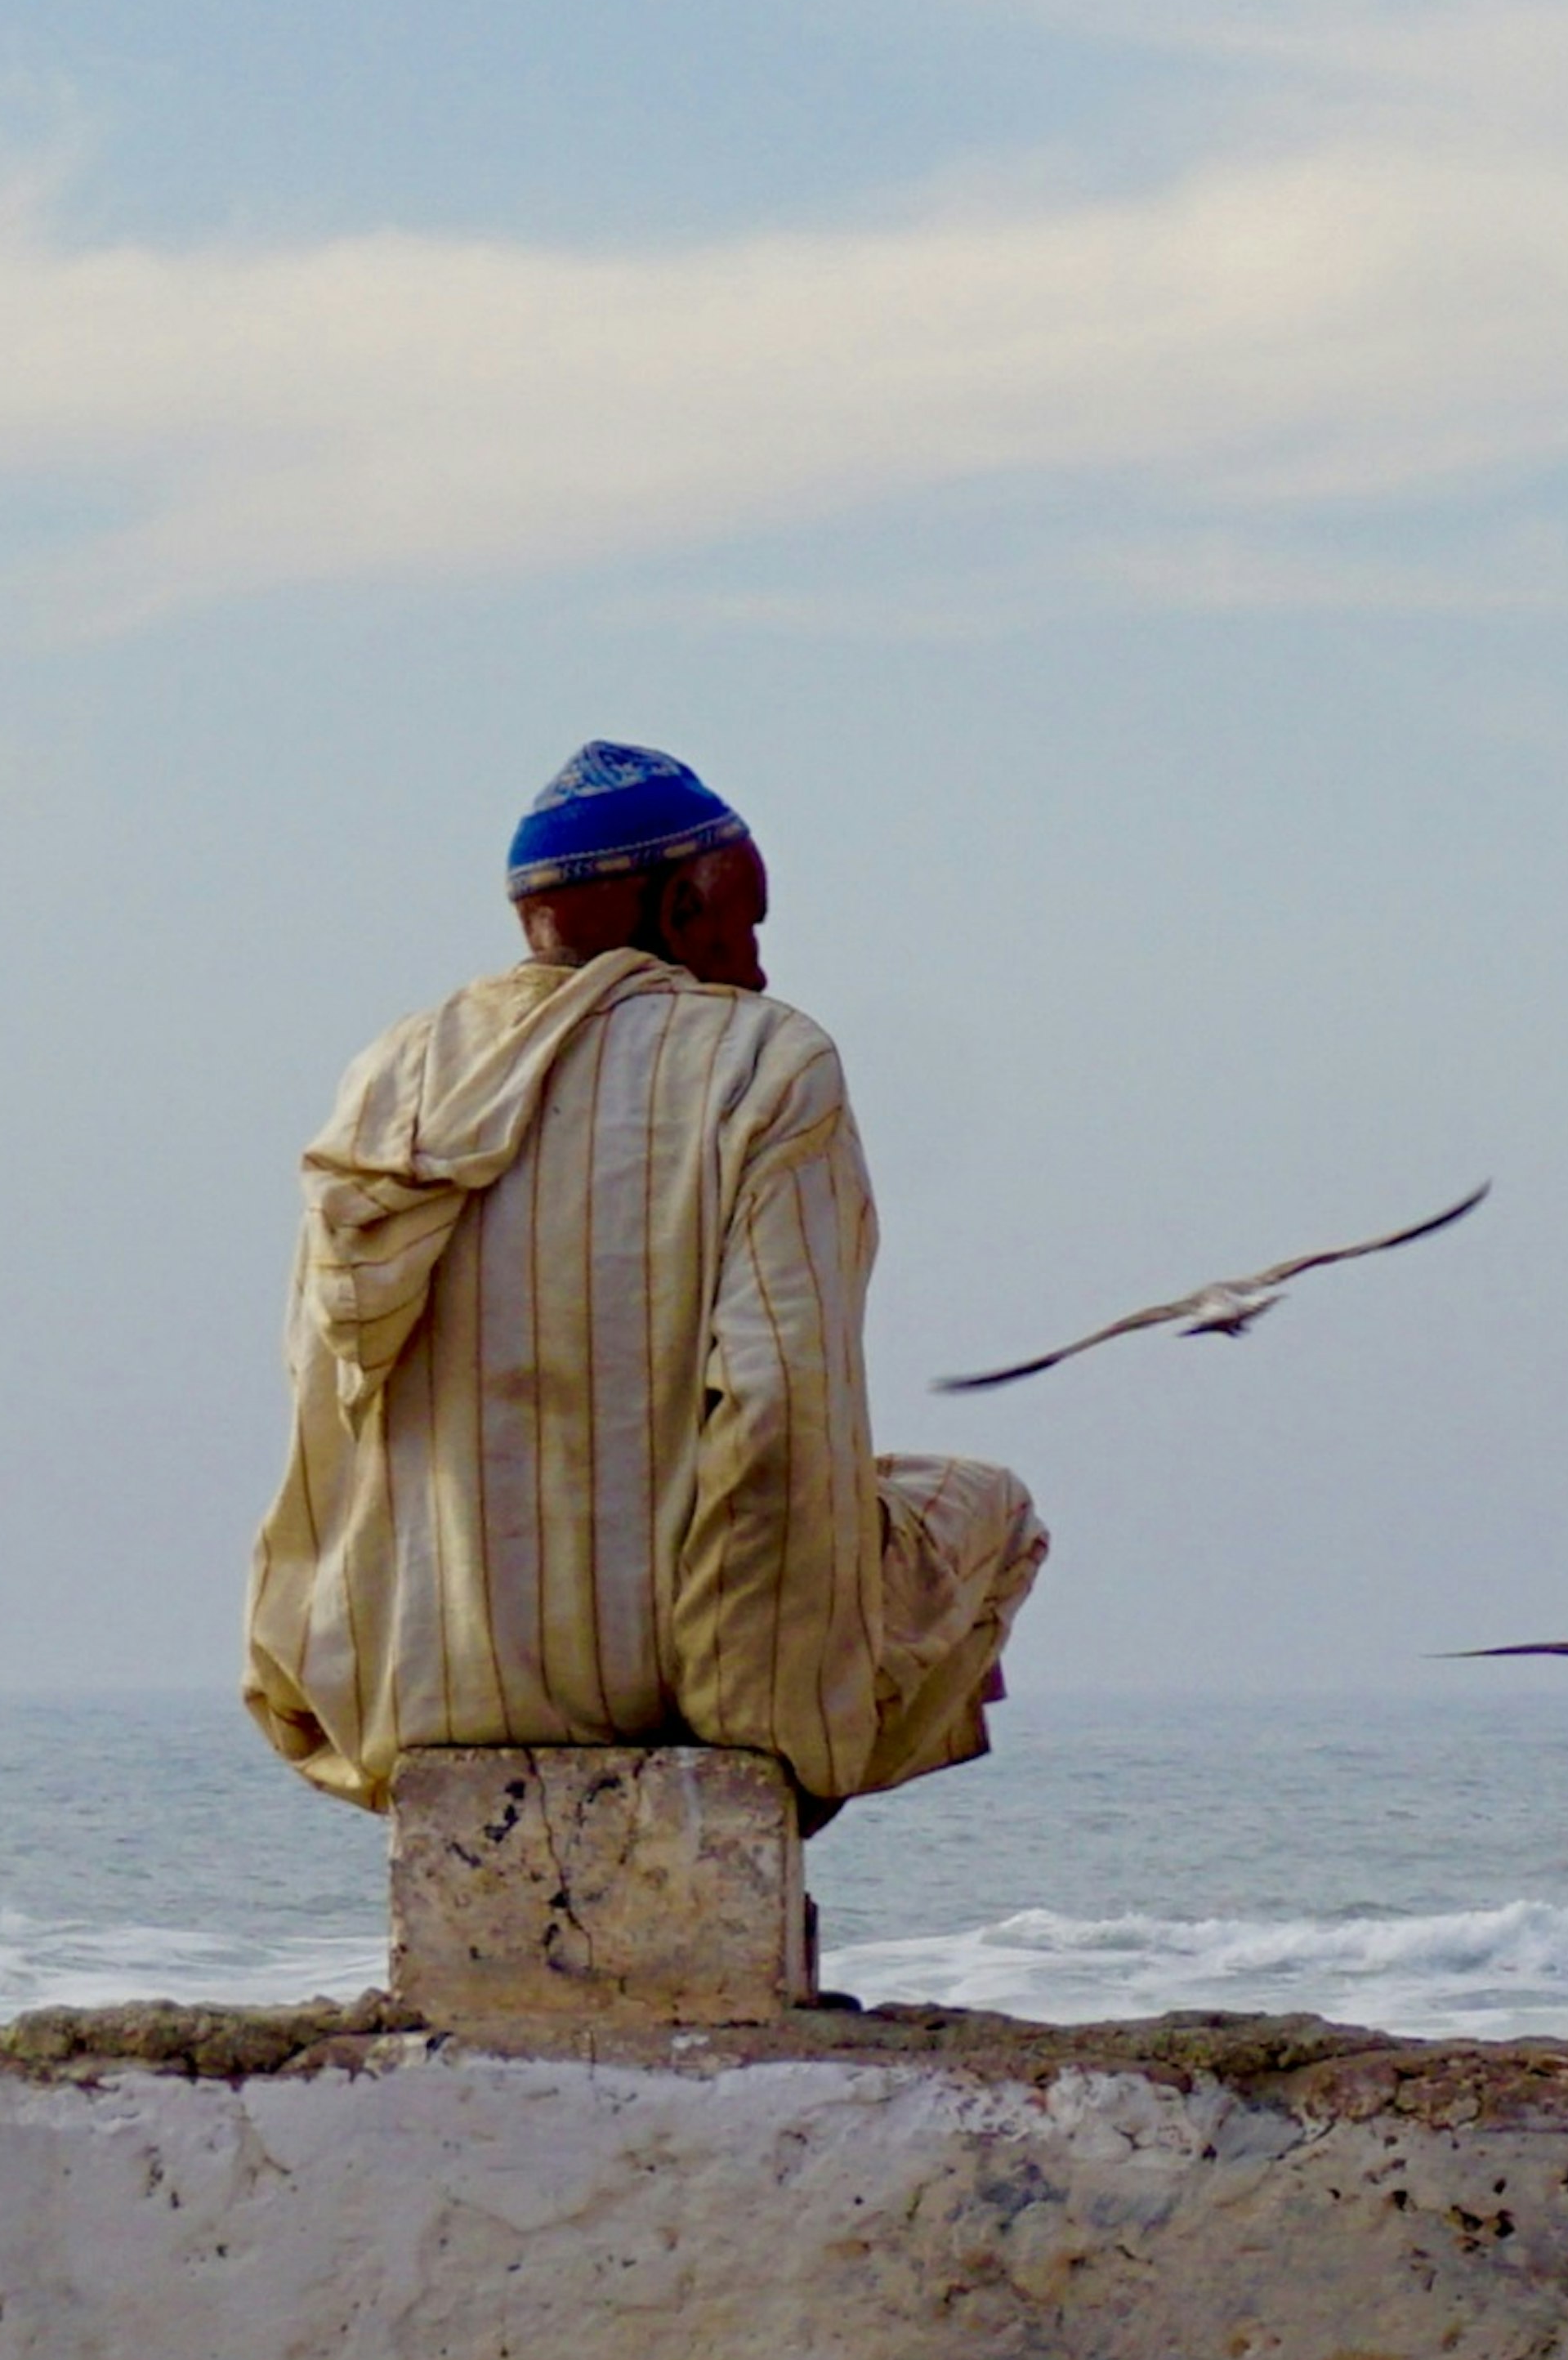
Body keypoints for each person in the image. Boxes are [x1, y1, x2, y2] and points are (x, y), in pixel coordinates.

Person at [243, 740, 1046, 1821]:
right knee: (987, 1509)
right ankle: (773, 1786)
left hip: (414, 1681)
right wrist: (765, 1717)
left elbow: (323, 1406)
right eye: (746, 924)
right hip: (669, 1680)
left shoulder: (389, 1075)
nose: (756, 966)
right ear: (679, 908)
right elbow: (780, 1411)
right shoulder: (766, 1061)